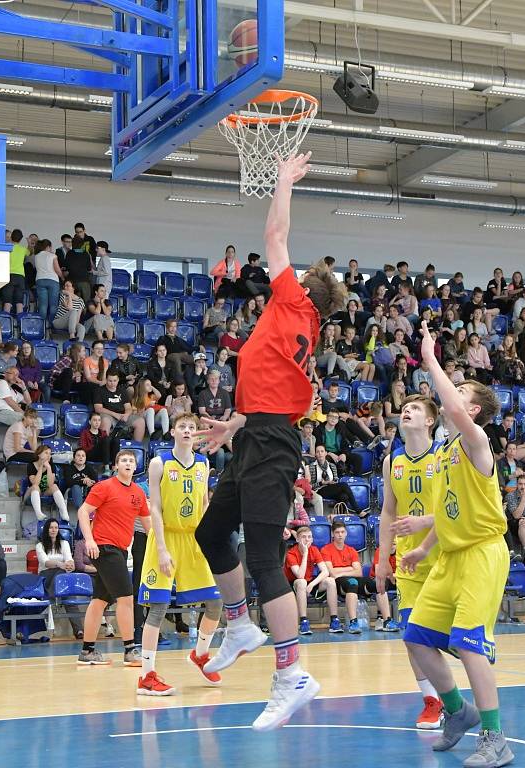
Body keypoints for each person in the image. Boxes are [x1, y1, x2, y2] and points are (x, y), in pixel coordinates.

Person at [194, 153, 347, 732]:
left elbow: (275, 233)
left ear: (307, 289)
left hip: (272, 443)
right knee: (212, 531)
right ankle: (239, 624)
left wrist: (282, 181)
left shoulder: (293, 302)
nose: (291, 270)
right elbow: (275, 394)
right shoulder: (296, 324)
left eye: (300, 273)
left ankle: (292, 675)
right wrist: (235, 424)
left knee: (262, 555)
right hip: (256, 433)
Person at [402, 323, 513, 768]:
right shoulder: (446, 451)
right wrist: (425, 548)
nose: (453, 394)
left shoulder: (476, 441)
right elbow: (447, 509)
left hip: (483, 555)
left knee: (469, 645)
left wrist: (430, 358)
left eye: (460, 390)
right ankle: (457, 711)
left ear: (473, 409)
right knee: (416, 638)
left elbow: (450, 403)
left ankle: (494, 736)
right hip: (448, 556)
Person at [137, 413, 223, 695]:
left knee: (215, 602)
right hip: (166, 537)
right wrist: (161, 549)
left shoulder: (204, 463)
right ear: (173, 431)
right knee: (159, 607)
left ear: (197, 434)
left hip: (193, 538)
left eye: (191, 428)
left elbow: (206, 503)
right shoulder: (159, 462)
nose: (187, 431)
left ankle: (199, 655)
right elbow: (155, 508)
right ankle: (146, 676)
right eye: (182, 427)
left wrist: (210, 538)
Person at [376, 394, 444, 730]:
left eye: (416, 408)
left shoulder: (445, 456)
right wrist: (381, 558)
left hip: (445, 553)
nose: (408, 410)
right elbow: (388, 510)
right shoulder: (393, 460)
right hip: (407, 559)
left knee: (452, 636)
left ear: (430, 420)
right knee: (412, 635)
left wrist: (424, 522)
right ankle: (432, 700)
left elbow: (455, 507)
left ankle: (462, 690)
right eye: (406, 407)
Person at [76, 450, 150, 665]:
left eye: (131, 461)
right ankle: (130, 650)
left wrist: (163, 546)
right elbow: (83, 512)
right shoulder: (104, 487)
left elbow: (148, 527)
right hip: (103, 548)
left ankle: (87, 652)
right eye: (123, 460)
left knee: (99, 601)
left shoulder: (138, 493)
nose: (127, 463)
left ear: (136, 467)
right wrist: (89, 540)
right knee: (126, 598)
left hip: (120, 549)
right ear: (116, 466)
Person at [321, 520, 397, 633]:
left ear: (346, 533)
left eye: (342, 532)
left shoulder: (351, 550)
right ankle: (353, 622)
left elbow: (359, 572)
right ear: (332, 534)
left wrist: (341, 570)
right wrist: (350, 569)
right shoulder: (326, 549)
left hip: (352, 579)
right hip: (338, 583)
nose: (340, 535)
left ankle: (387, 621)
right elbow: (332, 573)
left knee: (378, 584)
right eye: (337, 532)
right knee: (352, 582)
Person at [284, 526, 342, 635]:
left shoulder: (314, 550)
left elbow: (325, 571)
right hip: (293, 585)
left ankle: (334, 620)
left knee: (330, 581)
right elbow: (300, 575)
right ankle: (303, 622)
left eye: (309, 537)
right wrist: (305, 553)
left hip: (309, 582)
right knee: (302, 582)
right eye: (303, 537)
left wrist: (312, 584)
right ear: (297, 539)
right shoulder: (291, 553)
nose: (307, 540)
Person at [36, 518, 84, 638]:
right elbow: (45, 563)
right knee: (63, 577)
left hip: (62, 576)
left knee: (69, 593)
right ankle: (54, 594)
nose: (53, 530)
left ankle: (79, 631)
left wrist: (70, 564)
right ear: (46, 529)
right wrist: (60, 564)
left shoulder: (64, 543)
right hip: (46, 576)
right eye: (51, 527)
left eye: (56, 528)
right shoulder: (40, 546)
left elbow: (69, 558)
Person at [94, 371, 145, 442]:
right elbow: (98, 408)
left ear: (118, 380)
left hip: (122, 415)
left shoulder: (122, 390)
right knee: (105, 421)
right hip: (108, 415)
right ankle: (105, 447)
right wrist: (115, 414)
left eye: (115, 381)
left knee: (141, 421)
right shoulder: (99, 390)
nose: (112, 383)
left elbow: (128, 407)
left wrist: (126, 415)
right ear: (106, 380)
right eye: (110, 381)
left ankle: (136, 448)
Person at [27, 445, 69, 522]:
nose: (49, 455)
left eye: (50, 453)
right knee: (35, 487)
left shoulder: (52, 466)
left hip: (45, 490)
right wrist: (40, 468)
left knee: (54, 486)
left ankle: (64, 512)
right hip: (33, 491)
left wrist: (49, 468)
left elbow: (50, 484)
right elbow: (35, 483)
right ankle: (38, 513)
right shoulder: (31, 465)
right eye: (46, 453)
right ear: (39, 454)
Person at [34, 239, 63, 324]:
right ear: (48, 247)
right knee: (53, 305)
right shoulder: (52, 256)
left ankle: (42, 325)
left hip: (40, 280)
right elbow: (57, 269)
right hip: (52, 280)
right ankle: (50, 324)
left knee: (43, 304)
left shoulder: (36, 256)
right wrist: (62, 277)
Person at [0, 228, 28, 316]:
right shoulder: (23, 249)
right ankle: (20, 324)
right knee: (19, 302)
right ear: (20, 239)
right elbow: (30, 252)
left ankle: (6, 324)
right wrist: (29, 243)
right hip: (20, 277)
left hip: (9, 275)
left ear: (11, 237)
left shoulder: (7, 248)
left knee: (7, 302)